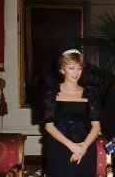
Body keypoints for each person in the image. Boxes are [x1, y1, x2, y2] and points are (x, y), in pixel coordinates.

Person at [39, 49, 102, 177]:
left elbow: (96, 127)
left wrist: (82, 149)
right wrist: (72, 147)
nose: (76, 72)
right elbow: (48, 126)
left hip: (85, 147)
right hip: (60, 147)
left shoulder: (90, 93)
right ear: (62, 69)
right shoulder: (51, 94)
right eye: (71, 68)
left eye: (79, 68)